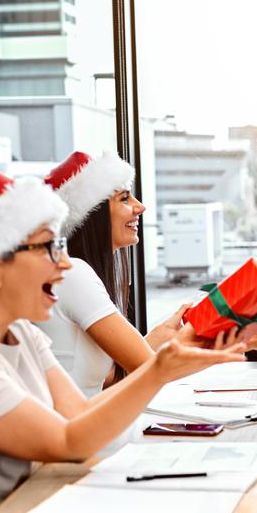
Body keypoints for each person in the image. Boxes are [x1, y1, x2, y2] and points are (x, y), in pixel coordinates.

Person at [0, 166, 246, 513]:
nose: (65, 265)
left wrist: (168, 359)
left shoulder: (17, 329)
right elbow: (70, 441)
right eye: (48, 248)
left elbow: (80, 414)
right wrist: (158, 370)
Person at [36, 151, 184, 397]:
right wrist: (211, 336)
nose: (140, 206)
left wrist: (160, 336)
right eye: (124, 198)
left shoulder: (82, 275)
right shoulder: (73, 274)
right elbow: (151, 369)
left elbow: (109, 379)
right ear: (92, 215)